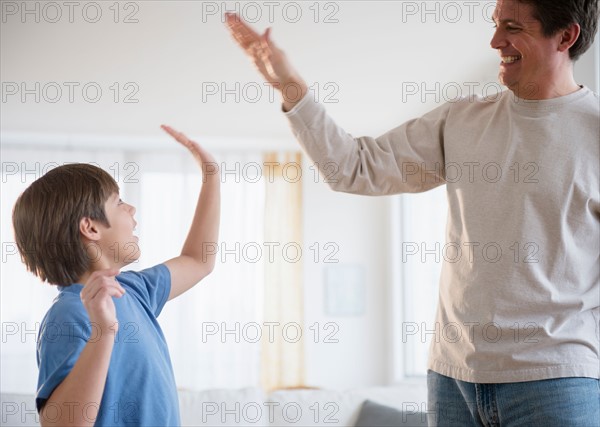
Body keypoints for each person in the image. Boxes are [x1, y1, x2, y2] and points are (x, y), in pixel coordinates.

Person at [225, 0, 599, 425]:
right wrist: (288, 86)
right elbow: (353, 168)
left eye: (511, 28)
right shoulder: (462, 121)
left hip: (556, 381)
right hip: (452, 379)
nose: (495, 41)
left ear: (566, 36)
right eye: (495, 25)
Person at [12, 125, 220, 426]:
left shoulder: (134, 289)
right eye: (119, 202)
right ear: (91, 228)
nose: (131, 209)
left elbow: (198, 260)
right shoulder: (68, 313)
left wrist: (211, 178)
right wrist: (103, 331)